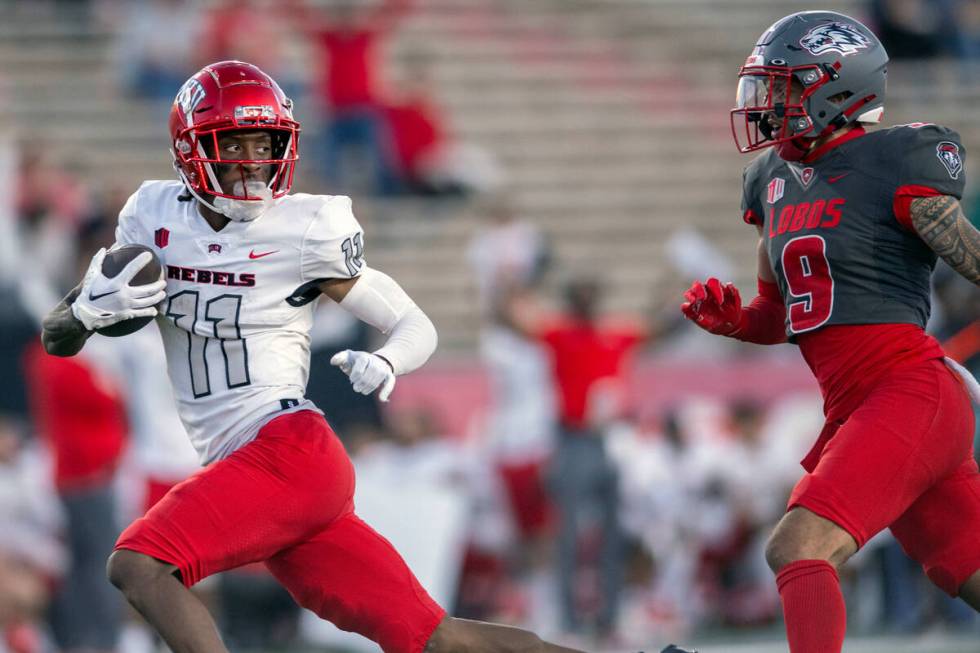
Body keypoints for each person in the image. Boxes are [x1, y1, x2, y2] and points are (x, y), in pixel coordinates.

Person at [38, 60, 675, 653]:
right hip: (260, 465)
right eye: (234, 144)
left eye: (266, 145)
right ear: (191, 147)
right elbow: (58, 335)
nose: (253, 162)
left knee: (137, 563)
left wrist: (392, 360)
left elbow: (410, 321)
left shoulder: (308, 225)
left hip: (286, 449)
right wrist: (88, 313)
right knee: (436, 639)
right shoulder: (150, 217)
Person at [682, 11, 980, 653]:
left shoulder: (896, 159)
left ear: (838, 88)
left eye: (787, 86)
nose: (771, 103)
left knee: (798, 546)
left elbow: (974, 261)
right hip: (860, 406)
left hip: (908, 390)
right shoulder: (771, 180)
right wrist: (734, 322)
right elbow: (783, 314)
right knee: (970, 571)